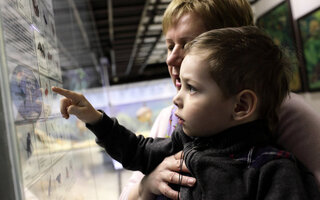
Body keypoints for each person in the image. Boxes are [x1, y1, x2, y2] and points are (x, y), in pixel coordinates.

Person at [54, 0, 320, 199]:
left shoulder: (277, 156)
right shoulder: (182, 130)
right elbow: (136, 154)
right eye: (170, 45)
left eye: (190, 44)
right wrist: (146, 184)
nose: (171, 58)